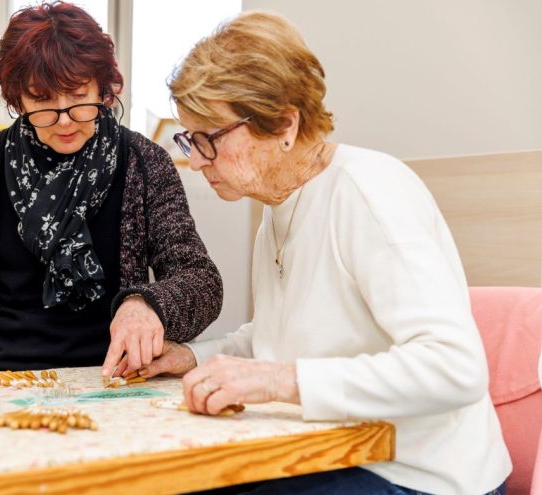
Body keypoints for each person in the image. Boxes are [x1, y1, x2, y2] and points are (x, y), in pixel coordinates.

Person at [139, 11, 511, 495]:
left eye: (210, 138)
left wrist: (279, 383)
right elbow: (276, 340)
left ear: (285, 124)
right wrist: (192, 357)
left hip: (422, 475)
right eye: (190, 139)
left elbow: (454, 368)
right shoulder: (278, 205)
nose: (195, 160)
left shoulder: (370, 193)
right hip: (340, 453)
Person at [0, 2, 221, 379]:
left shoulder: (144, 163)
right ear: (16, 99)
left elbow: (201, 280)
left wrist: (146, 303)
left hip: (110, 380)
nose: (64, 119)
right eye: (42, 100)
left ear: (104, 89)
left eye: (78, 96)